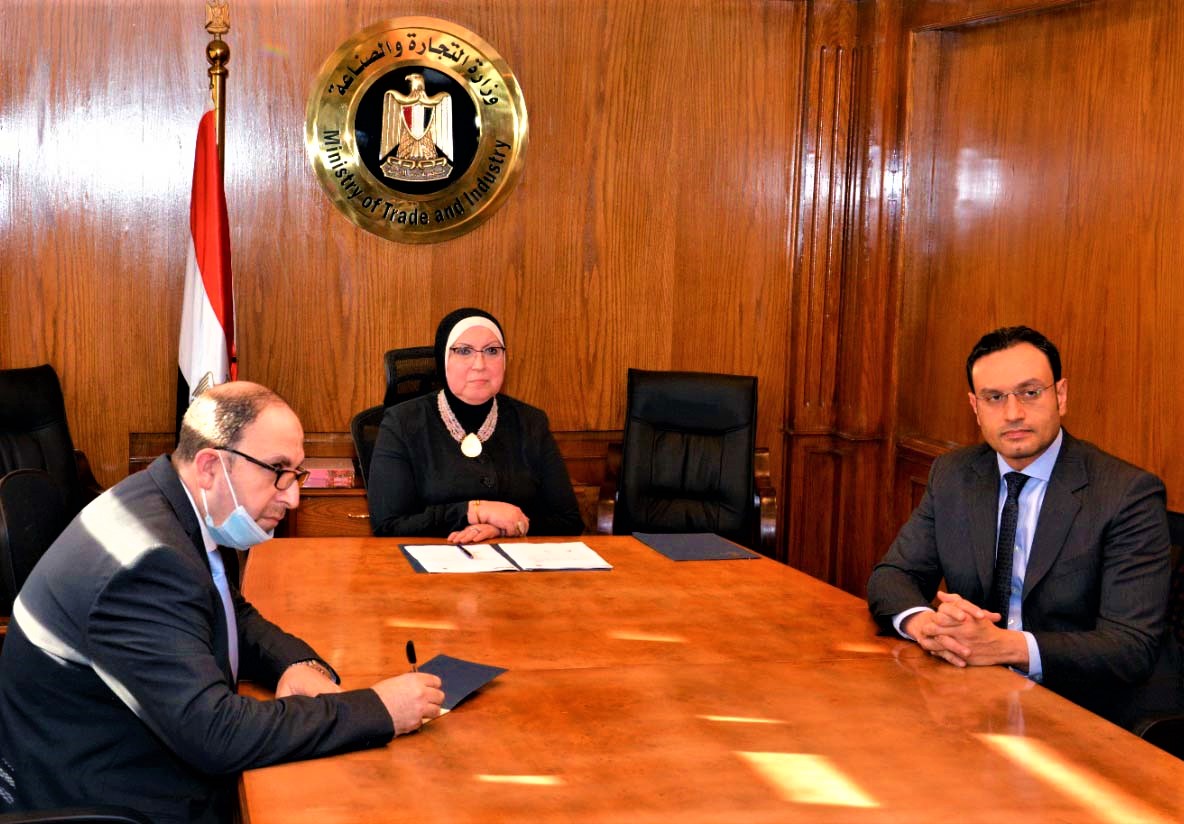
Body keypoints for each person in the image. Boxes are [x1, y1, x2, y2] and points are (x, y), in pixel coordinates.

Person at [0, 382, 443, 822]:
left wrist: (295, 664)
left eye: (297, 473)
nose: (293, 496)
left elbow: (231, 613)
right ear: (211, 466)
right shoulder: (146, 564)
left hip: (126, 753)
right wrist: (377, 709)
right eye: (278, 470)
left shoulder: (168, 503)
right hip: (111, 798)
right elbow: (216, 735)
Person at [867, 326, 1171, 722]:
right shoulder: (954, 474)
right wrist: (927, 626)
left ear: (1060, 395)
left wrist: (1005, 646)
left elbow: (1130, 646)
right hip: (976, 696)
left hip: (1084, 709)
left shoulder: (1126, 493)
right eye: (994, 398)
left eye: (1030, 392)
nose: (1013, 414)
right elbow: (893, 575)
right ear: (975, 407)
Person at [368, 308, 584, 541]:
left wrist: (501, 528)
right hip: (432, 561)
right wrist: (475, 511)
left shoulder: (532, 422)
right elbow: (389, 525)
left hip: (514, 561)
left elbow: (568, 521)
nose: (480, 364)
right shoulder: (401, 423)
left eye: (492, 351)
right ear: (443, 359)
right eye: (464, 351)